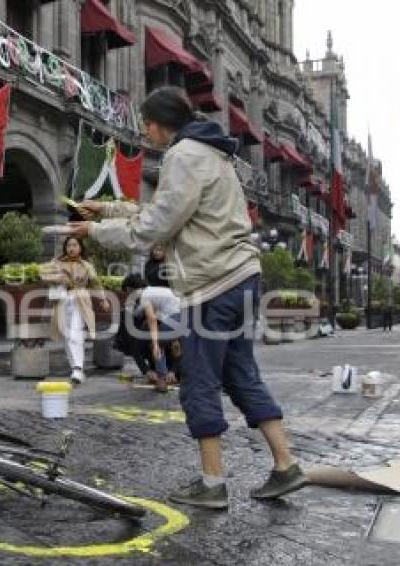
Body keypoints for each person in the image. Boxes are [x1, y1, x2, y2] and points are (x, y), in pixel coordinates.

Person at [67, 86, 305, 509]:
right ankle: (285, 465)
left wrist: (94, 232)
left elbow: (154, 226)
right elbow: (164, 208)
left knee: (197, 377)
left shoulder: (182, 156)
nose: (145, 132)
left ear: (160, 124)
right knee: (240, 374)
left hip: (214, 285)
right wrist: (105, 210)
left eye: (146, 125)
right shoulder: (210, 153)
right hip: (240, 277)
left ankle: (212, 482)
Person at [41, 237, 110, 384]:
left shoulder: (87, 265)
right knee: (67, 335)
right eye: (68, 245)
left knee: (75, 333)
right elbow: (42, 275)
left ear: (80, 247)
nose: (71, 248)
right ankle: (75, 369)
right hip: (62, 301)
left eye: (74, 245)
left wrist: (103, 299)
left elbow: (96, 283)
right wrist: (58, 277)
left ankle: (78, 368)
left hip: (81, 299)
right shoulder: (57, 262)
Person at [130, 277, 181, 393]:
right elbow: (136, 350)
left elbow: (151, 319)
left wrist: (156, 343)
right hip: (186, 314)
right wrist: (147, 370)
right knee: (172, 344)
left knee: (158, 345)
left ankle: (162, 379)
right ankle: (166, 375)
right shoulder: (155, 291)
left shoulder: (145, 296)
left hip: (177, 316)